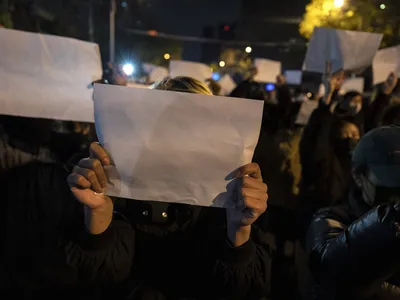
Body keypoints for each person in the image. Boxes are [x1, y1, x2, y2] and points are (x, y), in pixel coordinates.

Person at [66, 77, 272, 300]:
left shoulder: (226, 200)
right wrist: (98, 217)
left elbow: (246, 290)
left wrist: (239, 229)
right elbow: (91, 280)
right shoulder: (111, 187)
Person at [306, 125, 400, 300]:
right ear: (359, 177)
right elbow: (333, 270)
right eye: (390, 176)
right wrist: (392, 218)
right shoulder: (330, 219)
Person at [297, 64, 361, 240]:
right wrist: (326, 100)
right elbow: (318, 136)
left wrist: (384, 96)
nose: (352, 139)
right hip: (318, 223)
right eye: (347, 134)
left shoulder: (359, 166)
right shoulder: (325, 159)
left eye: (356, 135)